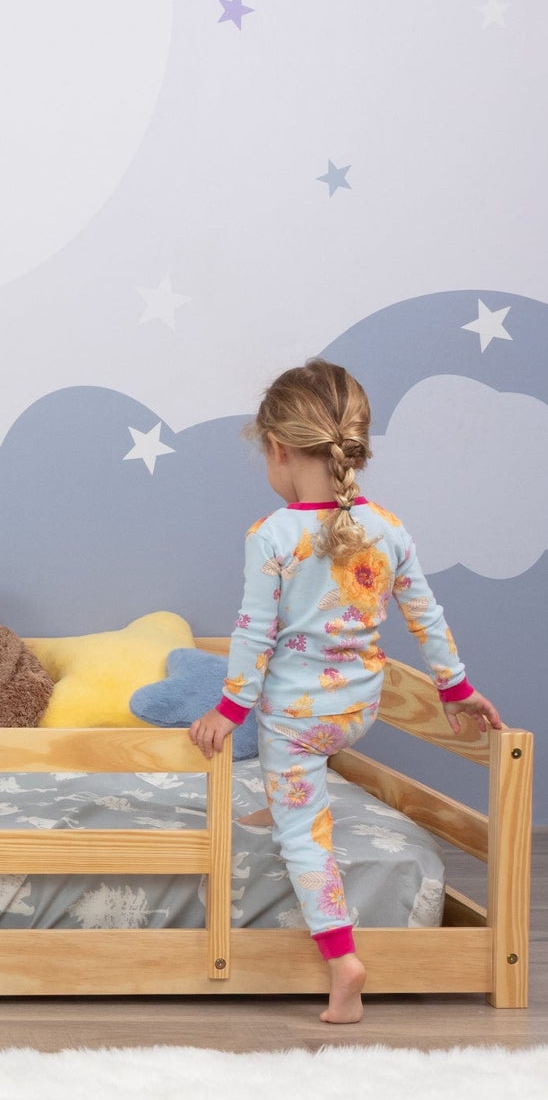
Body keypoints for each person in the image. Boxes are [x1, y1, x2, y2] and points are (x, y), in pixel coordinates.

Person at [189, 359, 503, 1023]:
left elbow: (253, 632)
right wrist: (455, 689)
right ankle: (285, 796)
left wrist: (229, 709)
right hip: (359, 708)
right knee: (298, 771)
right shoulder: (387, 526)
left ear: (278, 449)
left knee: (304, 835)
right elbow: (425, 615)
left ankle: (343, 962)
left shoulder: (273, 535)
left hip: (298, 720)